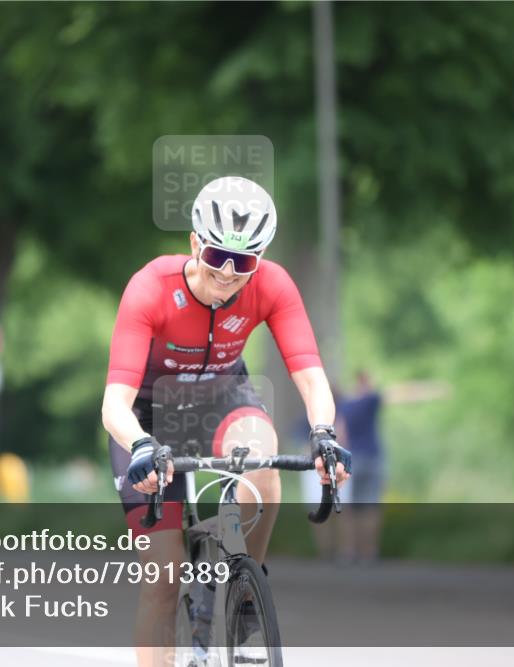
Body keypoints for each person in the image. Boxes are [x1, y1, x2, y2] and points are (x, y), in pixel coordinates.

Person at [102, 176, 349, 667]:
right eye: (218, 257)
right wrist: (142, 446)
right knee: (163, 578)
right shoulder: (151, 288)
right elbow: (114, 404)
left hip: (222, 399)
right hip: (148, 416)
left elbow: (311, 375)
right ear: (195, 243)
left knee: (263, 456)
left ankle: (248, 587)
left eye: (245, 262)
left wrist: (324, 435)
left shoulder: (272, 285)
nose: (230, 274)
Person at [302, 370, 452, 564]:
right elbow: (402, 393)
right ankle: (369, 552)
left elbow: (340, 433)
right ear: (365, 382)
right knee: (371, 507)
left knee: (349, 510)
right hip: (373, 459)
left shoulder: (345, 406)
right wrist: (434, 390)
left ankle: (348, 551)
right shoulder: (369, 400)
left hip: (351, 460)